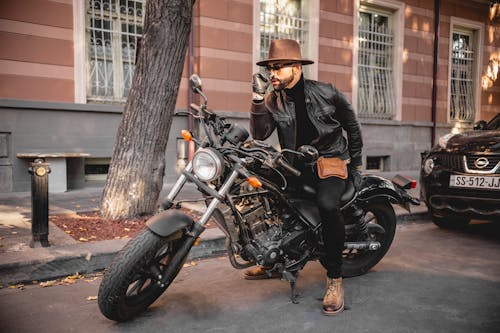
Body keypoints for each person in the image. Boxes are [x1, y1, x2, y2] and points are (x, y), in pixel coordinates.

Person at [245, 39, 363, 315]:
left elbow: (352, 127)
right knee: (265, 195)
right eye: (269, 68)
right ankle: (274, 257)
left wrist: (355, 167)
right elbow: (259, 134)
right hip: (294, 165)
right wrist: (257, 99)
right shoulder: (274, 100)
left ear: (296, 68)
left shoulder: (326, 92)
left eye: (277, 67)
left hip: (329, 164)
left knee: (328, 206)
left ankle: (334, 278)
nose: (271, 73)